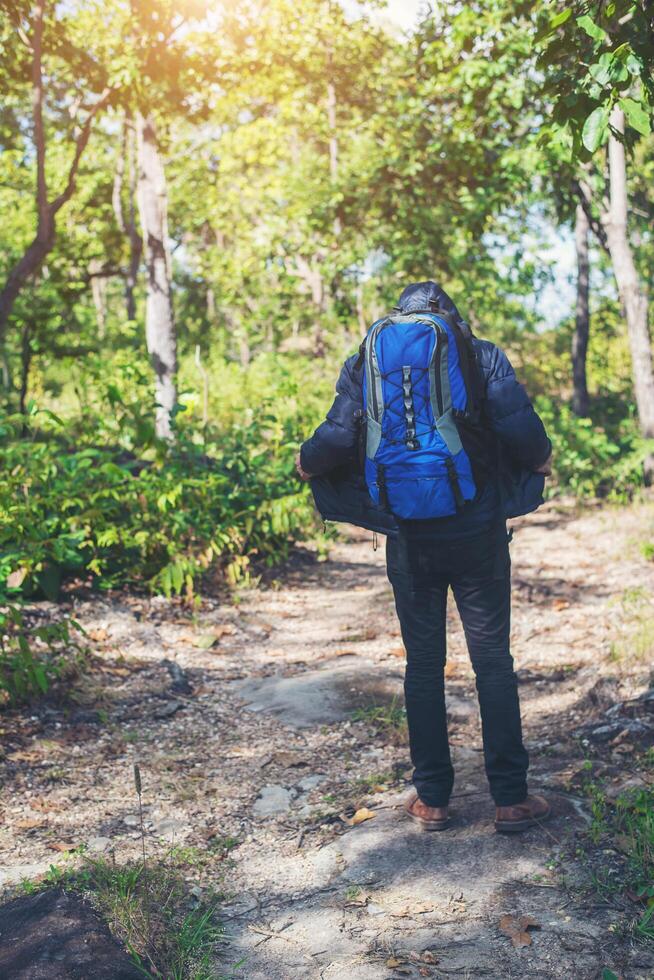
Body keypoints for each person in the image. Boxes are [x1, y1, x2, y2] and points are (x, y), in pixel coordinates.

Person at [296, 281, 553, 833]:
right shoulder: (481, 355)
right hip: (477, 532)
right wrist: (541, 463)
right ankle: (510, 799)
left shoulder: (367, 359)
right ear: (453, 317)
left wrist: (306, 463)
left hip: (410, 536)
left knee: (423, 665)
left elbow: (338, 437)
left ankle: (434, 798)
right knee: (492, 662)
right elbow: (526, 435)